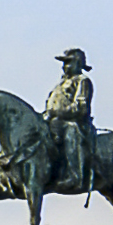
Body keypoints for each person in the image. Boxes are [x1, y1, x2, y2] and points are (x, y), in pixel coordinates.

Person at [47, 49, 96, 197]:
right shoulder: (61, 84)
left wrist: (60, 113)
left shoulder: (82, 81)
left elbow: (81, 107)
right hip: (54, 121)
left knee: (70, 134)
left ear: (78, 63)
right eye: (64, 63)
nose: (65, 66)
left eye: (68, 62)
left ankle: (75, 176)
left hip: (76, 124)